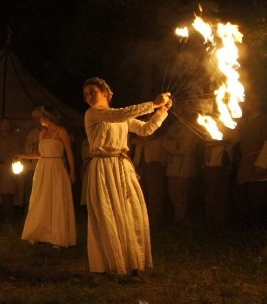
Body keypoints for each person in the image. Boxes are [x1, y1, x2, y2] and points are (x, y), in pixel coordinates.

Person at [82, 77, 171, 276]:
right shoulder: (93, 114)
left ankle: (131, 261)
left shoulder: (118, 116)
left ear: (105, 92)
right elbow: (118, 115)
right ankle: (110, 264)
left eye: (92, 92)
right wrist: (152, 104)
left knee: (130, 211)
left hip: (122, 166)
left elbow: (145, 129)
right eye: (86, 93)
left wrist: (161, 111)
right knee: (107, 213)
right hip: (103, 167)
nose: (88, 96)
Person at [17, 106, 77, 248]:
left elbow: (69, 152)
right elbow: (40, 154)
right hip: (43, 169)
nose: (39, 120)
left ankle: (58, 236)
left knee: (57, 200)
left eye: (41, 117)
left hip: (56, 168)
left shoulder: (61, 132)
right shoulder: (42, 133)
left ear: (47, 117)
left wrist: (72, 172)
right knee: (41, 198)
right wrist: (23, 156)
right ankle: (37, 233)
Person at [233, 91, 267, 223]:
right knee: (244, 198)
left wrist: (262, 164)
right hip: (246, 164)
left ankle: (258, 233)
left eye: (255, 100)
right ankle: (247, 230)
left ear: (261, 103)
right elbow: (235, 140)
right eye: (249, 101)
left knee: (258, 199)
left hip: (259, 164)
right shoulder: (245, 121)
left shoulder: (264, 119)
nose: (252, 103)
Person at [131, 130, 167, 226]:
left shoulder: (160, 137)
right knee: (139, 193)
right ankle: (140, 219)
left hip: (154, 166)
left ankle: (155, 220)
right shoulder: (140, 138)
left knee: (154, 193)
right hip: (139, 166)